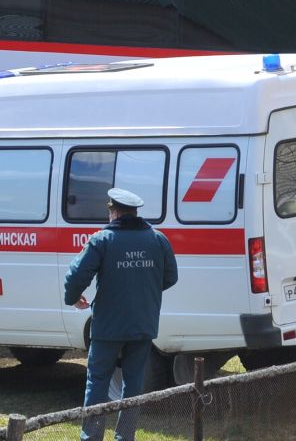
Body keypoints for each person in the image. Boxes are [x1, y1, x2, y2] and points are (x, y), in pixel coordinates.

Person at [63, 189, 178, 441]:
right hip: (142, 324)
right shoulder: (158, 239)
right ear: (135, 213)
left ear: (113, 212)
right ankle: (125, 437)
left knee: (98, 382)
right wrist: (141, 291)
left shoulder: (102, 240)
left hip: (108, 327)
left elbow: (74, 277)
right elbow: (170, 277)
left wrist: (73, 298)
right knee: (133, 384)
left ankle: (92, 437)